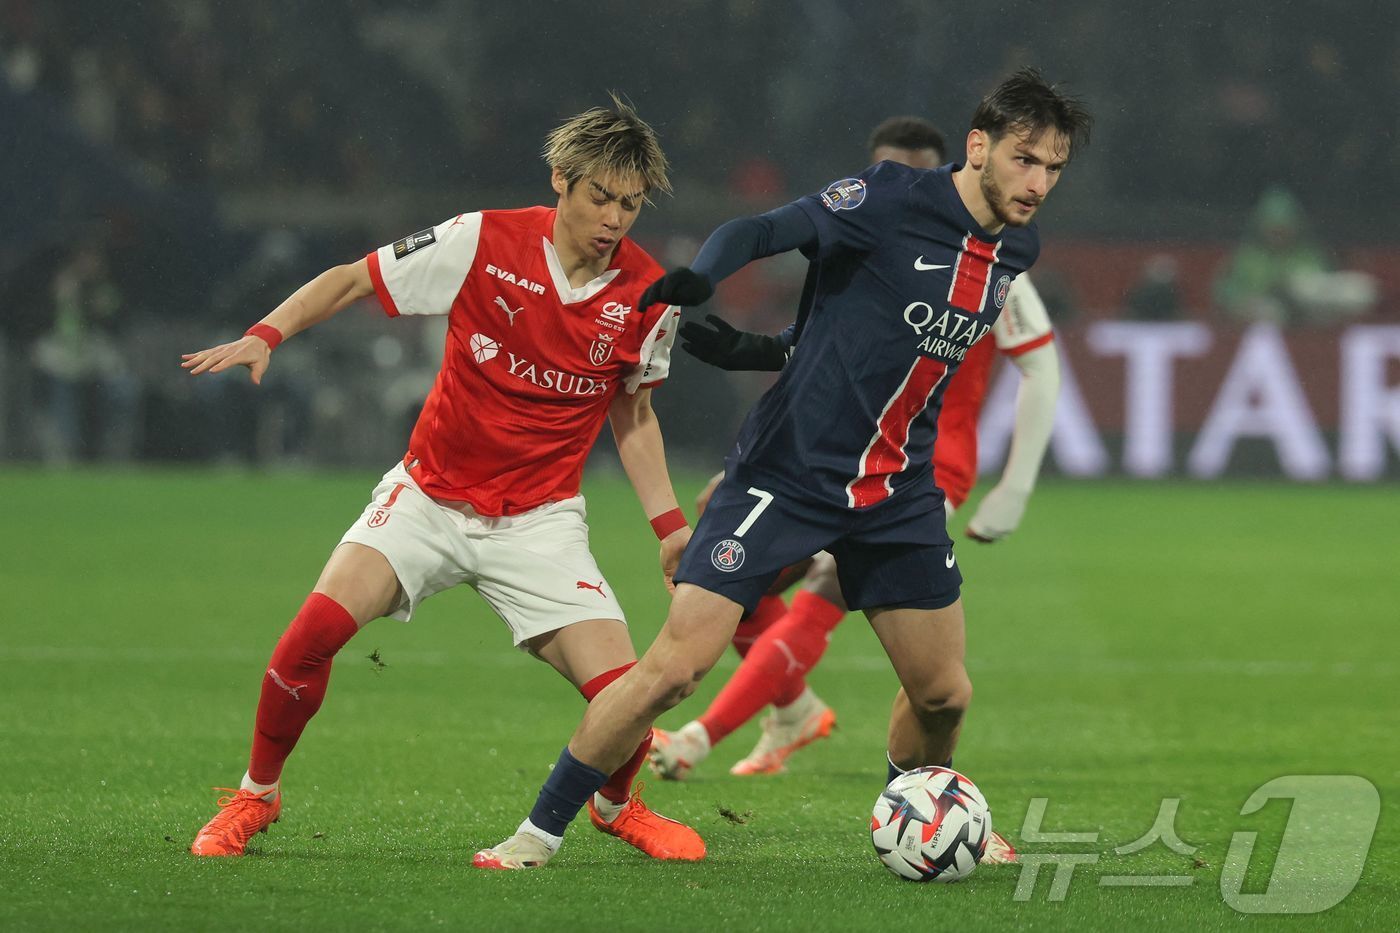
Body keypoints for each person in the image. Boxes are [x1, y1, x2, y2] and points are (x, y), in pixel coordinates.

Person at [475, 68, 1092, 870]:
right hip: (785, 476)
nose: (1037, 182)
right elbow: (764, 229)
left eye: (1052, 168)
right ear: (978, 146)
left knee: (944, 693)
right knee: (673, 669)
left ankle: (921, 811)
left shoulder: (1018, 248)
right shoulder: (890, 198)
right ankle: (540, 829)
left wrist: (772, 351)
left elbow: (878, 339)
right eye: (1024, 159)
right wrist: (702, 277)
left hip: (896, 491)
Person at [181, 97, 705, 864]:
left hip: (539, 520)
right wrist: (267, 334)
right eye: (600, 195)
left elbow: (633, 415)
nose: (614, 218)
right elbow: (353, 279)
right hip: (427, 497)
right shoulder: (482, 239)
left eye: (629, 203)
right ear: (561, 181)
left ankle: (615, 804)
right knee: (310, 637)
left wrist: (669, 529)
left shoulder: (649, 294)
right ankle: (255, 796)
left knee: (626, 692)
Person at [647, 117, 1061, 832]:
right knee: (737, 587)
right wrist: (747, 346)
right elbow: (832, 344)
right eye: (877, 169)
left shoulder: (1003, 249)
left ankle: (709, 734)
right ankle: (792, 709)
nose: (879, 187)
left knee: (827, 605)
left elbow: (1042, 364)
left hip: (919, 467)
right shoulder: (879, 217)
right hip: (816, 456)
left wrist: (1015, 486)